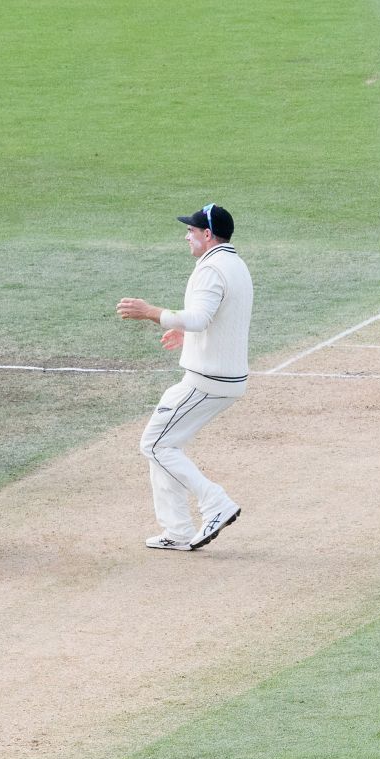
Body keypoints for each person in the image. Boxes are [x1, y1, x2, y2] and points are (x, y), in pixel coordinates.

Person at [116, 205, 253, 551]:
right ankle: (176, 530)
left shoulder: (212, 269)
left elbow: (199, 317)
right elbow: (218, 318)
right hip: (222, 377)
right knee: (165, 443)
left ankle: (215, 502)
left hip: (208, 380)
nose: (186, 236)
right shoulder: (234, 264)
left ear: (208, 235)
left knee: (155, 444)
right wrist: (187, 335)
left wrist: (151, 313)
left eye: (192, 231)